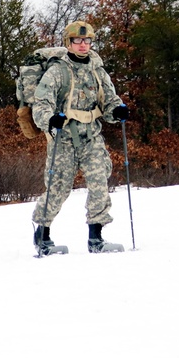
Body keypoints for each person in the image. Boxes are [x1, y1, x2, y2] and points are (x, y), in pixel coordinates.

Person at [31, 20, 129, 254]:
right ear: (69, 43)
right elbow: (41, 103)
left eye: (87, 40)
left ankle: (96, 237)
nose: (83, 45)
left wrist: (117, 111)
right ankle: (42, 234)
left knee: (99, 180)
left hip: (91, 134)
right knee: (59, 187)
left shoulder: (97, 69)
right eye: (78, 40)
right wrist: (49, 120)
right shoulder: (58, 70)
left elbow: (109, 101)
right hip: (63, 136)